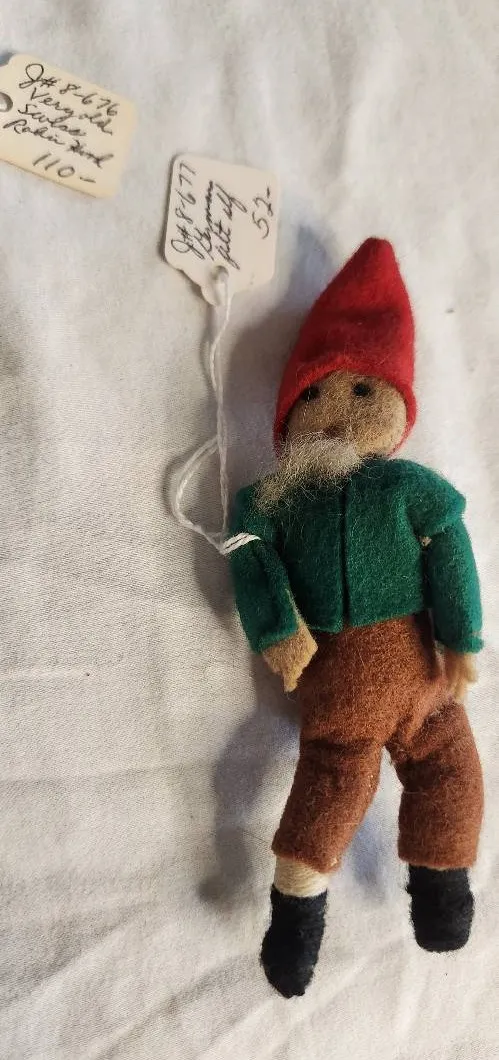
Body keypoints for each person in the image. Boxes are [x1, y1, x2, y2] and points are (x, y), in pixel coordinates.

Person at [229, 238, 484, 998]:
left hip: (425, 678)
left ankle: (441, 891)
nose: (338, 414)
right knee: (330, 784)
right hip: (334, 684)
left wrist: (461, 636)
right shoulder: (273, 501)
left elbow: (452, 552)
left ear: (398, 406)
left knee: (451, 772)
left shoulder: (409, 487)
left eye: (363, 392)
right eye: (315, 395)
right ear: (288, 412)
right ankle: (295, 915)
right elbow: (249, 556)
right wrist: (278, 631)